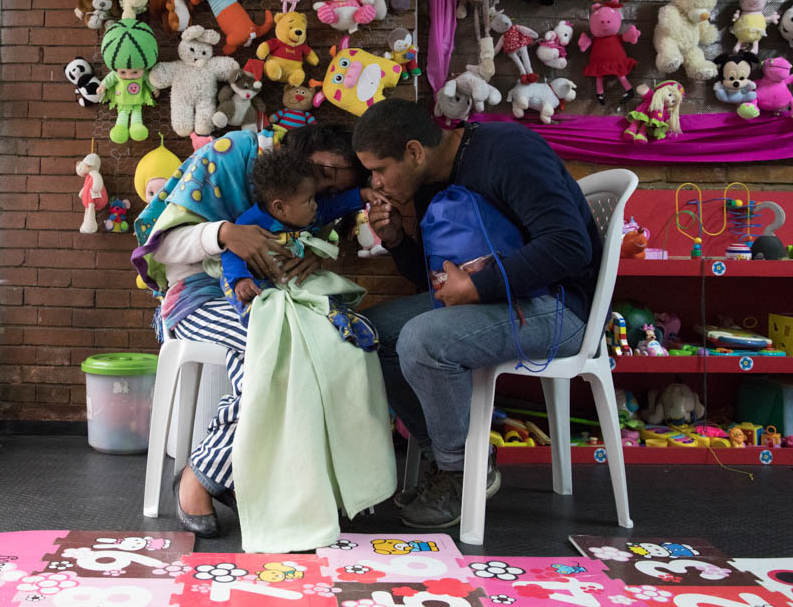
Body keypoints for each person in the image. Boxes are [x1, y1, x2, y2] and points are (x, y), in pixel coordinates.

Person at [351, 99, 601, 529]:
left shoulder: (508, 152)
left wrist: (480, 286)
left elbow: (569, 246)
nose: (375, 183)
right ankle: (451, 454)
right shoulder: (432, 179)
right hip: (500, 303)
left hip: (561, 308)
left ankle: (461, 471)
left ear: (414, 152)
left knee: (421, 340)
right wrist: (394, 239)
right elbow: (433, 284)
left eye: (378, 169)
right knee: (368, 334)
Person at [131, 125, 366, 539]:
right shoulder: (231, 155)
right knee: (277, 351)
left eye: (333, 191)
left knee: (328, 345)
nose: (325, 193)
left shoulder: (309, 198)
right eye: (326, 177)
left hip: (267, 299)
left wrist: (310, 256)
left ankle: (249, 475)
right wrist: (223, 234)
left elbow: (309, 232)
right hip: (195, 296)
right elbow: (161, 248)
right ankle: (200, 477)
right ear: (308, 150)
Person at [219, 148, 376, 349]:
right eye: (309, 200)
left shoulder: (309, 213)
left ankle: (345, 322)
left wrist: (363, 194)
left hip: (289, 278)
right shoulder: (251, 222)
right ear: (279, 207)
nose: (315, 206)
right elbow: (231, 252)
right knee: (257, 303)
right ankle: (271, 332)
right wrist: (240, 279)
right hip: (254, 278)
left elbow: (335, 206)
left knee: (324, 294)